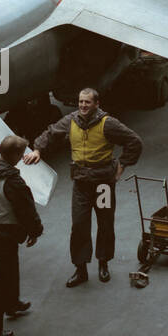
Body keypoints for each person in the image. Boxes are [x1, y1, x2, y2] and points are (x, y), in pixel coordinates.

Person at [24, 88, 142, 287]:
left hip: (103, 183)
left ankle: (103, 263)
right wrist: (37, 149)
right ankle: (81, 269)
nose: (83, 106)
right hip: (81, 183)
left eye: (87, 102)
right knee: (79, 225)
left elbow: (134, 141)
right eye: (80, 102)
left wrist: (122, 165)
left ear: (96, 104)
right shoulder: (71, 120)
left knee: (105, 223)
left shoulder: (108, 123)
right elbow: (51, 132)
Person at [0, 135, 44, 336]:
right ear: (13, 155)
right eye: (21, 153)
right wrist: (35, 231)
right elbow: (26, 210)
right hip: (3, 232)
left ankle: (12, 304)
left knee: (10, 266)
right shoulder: (13, 181)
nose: (23, 156)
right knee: (2, 279)